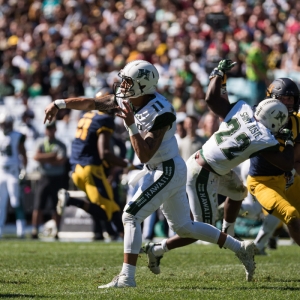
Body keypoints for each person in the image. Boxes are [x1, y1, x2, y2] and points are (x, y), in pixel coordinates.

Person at [44, 60, 257, 287]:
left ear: (142, 85)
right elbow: (93, 103)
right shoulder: (129, 99)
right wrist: (60, 103)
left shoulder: (161, 112)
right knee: (184, 227)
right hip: (161, 168)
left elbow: (144, 154)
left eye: (128, 82)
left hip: (167, 168)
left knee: (130, 216)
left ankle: (127, 277)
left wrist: (131, 125)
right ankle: (240, 247)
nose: (122, 85)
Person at [140, 59, 294, 277]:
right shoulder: (265, 138)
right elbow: (286, 162)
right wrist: (287, 141)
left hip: (206, 164)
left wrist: (217, 75)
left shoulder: (242, 109)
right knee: (199, 229)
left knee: (239, 192)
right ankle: (157, 249)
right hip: (202, 173)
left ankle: (228, 231)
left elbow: (212, 99)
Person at [57, 88, 134, 241]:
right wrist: (125, 164)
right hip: (90, 169)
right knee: (106, 210)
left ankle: (120, 236)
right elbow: (104, 152)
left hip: (77, 168)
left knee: (111, 205)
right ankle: (70, 199)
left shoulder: (87, 115)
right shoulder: (104, 120)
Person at [247, 77, 300, 247]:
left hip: (288, 177)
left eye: (289, 98)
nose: (286, 103)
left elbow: (295, 157)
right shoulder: (258, 118)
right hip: (263, 182)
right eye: (282, 98)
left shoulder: (296, 121)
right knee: (291, 215)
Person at [31, 121, 67, 239]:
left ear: (55, 130)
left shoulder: (61, 144)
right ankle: (34, 230)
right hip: (44, 177)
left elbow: (61, 160)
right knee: (38, 205)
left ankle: (57, 231)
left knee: (56, 206)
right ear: (45, 130)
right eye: (48, 129)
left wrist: (44, 158)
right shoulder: (41, 143)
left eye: (52, 129)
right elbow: (36, 157)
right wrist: (52, 156)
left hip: (56, 178)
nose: (50, 131)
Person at [0, 112, 27, 238]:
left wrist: (24, 169)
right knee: (1, 202)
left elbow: (23, 153)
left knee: (15, 200)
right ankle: (0, 227)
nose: (4, 126)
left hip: (13, 171)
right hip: (1, 171)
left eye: (6, 123)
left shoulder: (17, 136)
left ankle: (21, 228)